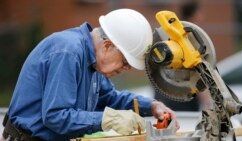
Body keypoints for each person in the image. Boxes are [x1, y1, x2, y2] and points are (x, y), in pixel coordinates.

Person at [1, 9, 179, 141]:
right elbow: (55, 116)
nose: (126, 69)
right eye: (125, 61)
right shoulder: (68, 52)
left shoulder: (92, 60)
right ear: (108, 45)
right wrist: (108, 119)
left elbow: (110, 97)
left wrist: (153, 106)